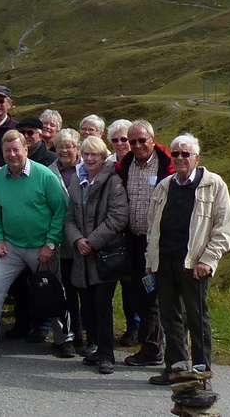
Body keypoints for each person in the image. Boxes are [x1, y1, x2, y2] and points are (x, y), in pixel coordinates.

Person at [0, 130, 71, 361]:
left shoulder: (45, 176)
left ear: (26, 149)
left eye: (16, 149)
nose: (12, 154)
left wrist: (51, 243)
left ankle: (64, 339)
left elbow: (60, 211)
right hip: (11, 246)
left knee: (52, 292)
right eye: (7, 151)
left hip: (41, 247)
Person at [146, 134, 230, 387]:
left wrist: (208, 260)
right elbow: (153, 227)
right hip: (165, 261)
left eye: (186, 154)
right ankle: (175, 368)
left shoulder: (214, 184)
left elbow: (222, 229)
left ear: (197, 157)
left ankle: (200, 372)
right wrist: (150, 259)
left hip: (194, 264)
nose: (180, 158)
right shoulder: (164, 186)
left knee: (197, 318)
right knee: (169, 316)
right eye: (175, 154)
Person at [64, 135, 128, 375]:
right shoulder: (76, 181)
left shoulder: (113, 182)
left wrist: (91, 241)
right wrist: (77, 240)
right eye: (87, 154)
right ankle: (95, 349)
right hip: (82, 254)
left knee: (102, 304)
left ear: (104, 157)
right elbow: (69, 217)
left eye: (95, 155)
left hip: (105, 256)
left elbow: (118, 218)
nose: (90, 159)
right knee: (87, 304)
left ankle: (106, 355)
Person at [117, 119, 173, 368]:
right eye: (133, 141)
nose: (138, 145)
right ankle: (153, 346)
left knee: (157, 297)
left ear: (153, 139)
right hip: (134, 241)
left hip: (160, 243)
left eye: (142, 140)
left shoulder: (166, 165)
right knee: (141, 293)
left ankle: (155, 349)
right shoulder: (126, 164)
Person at [50, 128, 86, 354]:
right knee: (64, 292)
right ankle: (66, 338)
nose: (64, 150)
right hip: (59, 240)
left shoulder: (88, 169)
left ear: (78, 148)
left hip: (84, 240)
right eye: (60, 146)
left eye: (69, 146)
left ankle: (89, 336)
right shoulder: (48, 172)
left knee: (85, 291)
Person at [106, 117, 138, 345]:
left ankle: (136, 327)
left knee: (134, 287)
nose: (120, 143)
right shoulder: (107, 165)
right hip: (113, 235)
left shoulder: (139, 163)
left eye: (124, 139)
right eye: (115, 140)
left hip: (135, 233)